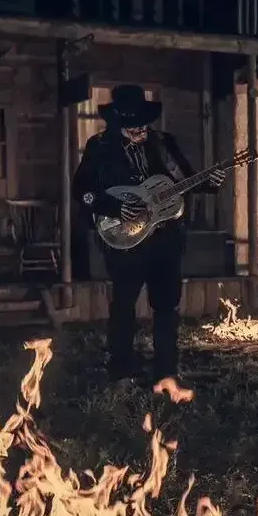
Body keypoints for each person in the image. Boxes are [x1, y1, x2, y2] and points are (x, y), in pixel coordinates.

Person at [72, 84, 226, 386]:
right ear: (118, 123)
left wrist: (210, 183)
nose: (140, 129)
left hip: (165, 238)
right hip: (125, 241)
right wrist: (114, 207)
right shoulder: (100, 147)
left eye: (143, 123)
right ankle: (121, 369)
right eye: (133, 125)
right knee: (124, 304)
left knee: (167, 306)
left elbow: (185, 179)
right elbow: (82, 190)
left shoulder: (163, 143)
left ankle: (167, 372)